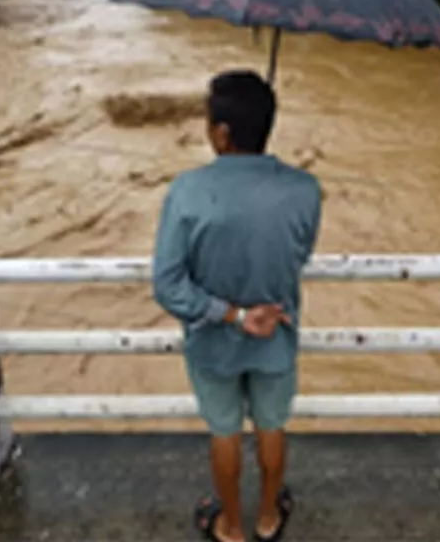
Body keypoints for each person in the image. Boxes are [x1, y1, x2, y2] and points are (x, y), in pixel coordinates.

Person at [151, 70, 322, 542]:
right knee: (272, 425)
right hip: (278, 335)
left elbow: (167, 284)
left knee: (224, 430)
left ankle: (230, 526)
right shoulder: (305, 189)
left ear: (222, 133)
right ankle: (268, 518)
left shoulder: (186, 191)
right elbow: (299, 255)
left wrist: (233, 315)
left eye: (209, 123)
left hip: (213, 341)